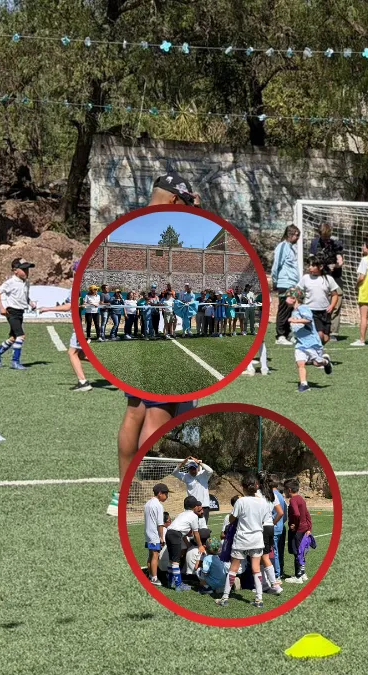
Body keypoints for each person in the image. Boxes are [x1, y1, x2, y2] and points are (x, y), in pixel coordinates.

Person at [114, 172, 200, 512]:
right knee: (157, 413)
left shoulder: (131, 223)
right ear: (177, 199)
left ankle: (123, 491)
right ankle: (148, 500)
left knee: (134, 410)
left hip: (139, 341)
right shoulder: (173, 225)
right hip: (166, 338)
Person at [218, 476, 272, 608]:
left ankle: (225, 597)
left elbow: (232, 519)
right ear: (257, 486)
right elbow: (264, 521)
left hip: (242, 539)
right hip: (257, 538)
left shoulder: (240, 502)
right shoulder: (263, 502)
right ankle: (259, 599)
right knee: (256, 569)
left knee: (233, 568)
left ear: (243, 487)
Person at [0, 258, 38, 370]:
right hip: (11, 311)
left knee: (13, 338)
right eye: (24, 269)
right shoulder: (10, 282)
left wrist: (30, 302)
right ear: (15, 270)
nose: (27, 272)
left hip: (20, 312)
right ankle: (15, 361)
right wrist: (1, 307)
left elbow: (25, 296)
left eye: (27, 269)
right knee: (21, 336)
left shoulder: (26, 282)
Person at [287, 287, 334, 392]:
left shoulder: (303, 308)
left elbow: (308, 320)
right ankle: (304, 384)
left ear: (294, 298)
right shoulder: (294, 311)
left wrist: (295, 321)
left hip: (312, 343)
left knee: (317, 363)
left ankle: (326, 362)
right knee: (300, 363)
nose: (286, 300)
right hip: (300, 344)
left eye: (288, 297)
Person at [309, 223, 345, 341]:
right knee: (320, 303)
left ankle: (334, 332)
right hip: (320, 278)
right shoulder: (315, 243)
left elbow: (340, 261)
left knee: (336, 304)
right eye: (323, 237)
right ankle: (320, 329)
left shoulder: (336, 244)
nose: (325, 239)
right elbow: (311, 260)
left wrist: (335, 265)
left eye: (327, 237)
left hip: (335, 278)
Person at [297, 259, 341, 344]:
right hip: (310, 311)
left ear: (320, 267)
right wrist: (294, 299)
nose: (310, 267)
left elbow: (335, 295)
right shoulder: (306, 278)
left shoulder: (328, 279)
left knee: (325, 338)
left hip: (325, 312)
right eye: (309, 265)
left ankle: (317, 351)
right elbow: (297, 291)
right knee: (319, 335)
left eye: (313, 265)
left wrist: (331, 306)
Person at [165, 495, 205, 591]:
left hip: (169, 533)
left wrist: (187, 543)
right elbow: (196, 533)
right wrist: (200, 546)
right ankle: (178, 585)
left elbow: (183, 530)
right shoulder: (193, 516)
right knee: (175, 561)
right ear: (195, 506)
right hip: (175, 535)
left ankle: (170, 581)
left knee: (171, 560)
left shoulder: (181, 514)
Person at [272, 225, 302, 345]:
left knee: (292, 308)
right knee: (284, 308)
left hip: (293, 284)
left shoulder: (292, 248)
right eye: (296, 235)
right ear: (289, 234)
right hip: (285, 282)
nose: (298, 237)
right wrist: (275, 280)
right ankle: (280, 336)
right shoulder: (282, 246)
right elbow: (276, 265)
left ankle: (289, 333)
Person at [283, 478, 315, 583]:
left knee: (297, 552)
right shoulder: (301, 498)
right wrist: (309, 528)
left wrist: (295, 526)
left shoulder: (293, 500)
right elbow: (307, 514)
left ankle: (298, 576)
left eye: (284, 490)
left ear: (289, 490)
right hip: (304, 529)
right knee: (301, 551)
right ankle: (303, 573)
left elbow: (297, 514)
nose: (284, 492)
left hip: (297, 531)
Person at [172, 457, 213, 528]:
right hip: (192, 507)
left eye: (194, 468)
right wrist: (183, 463)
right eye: (190, 469)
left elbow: (210, 471)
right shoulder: (186, 476)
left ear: (197, 468)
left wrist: (199, 463)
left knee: (203, 527)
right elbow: (174, 473)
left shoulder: (203, 474)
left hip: (204, 506)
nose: (192, 471)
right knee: (192, 528)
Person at [143, 483, 170, 586]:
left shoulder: (147, 504)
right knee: (155, 555)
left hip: (147, 533)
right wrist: (162, 537)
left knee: (150, 555)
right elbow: (160, 523)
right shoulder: (158, 505)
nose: (166, 496)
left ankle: (150, 575)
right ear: (160, 493)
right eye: (166, 494)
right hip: (154, 534)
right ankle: (154, 578)